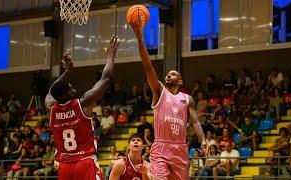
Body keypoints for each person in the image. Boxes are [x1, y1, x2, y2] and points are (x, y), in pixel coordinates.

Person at [130, 22, 206, 180]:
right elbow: (148, 66)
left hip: (180, 148)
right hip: (161, 146)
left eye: (173, 74)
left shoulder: (188, 99)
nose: (168, 75)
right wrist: (139, 38)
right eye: (167, 74)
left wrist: (203, 140)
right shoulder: (159, 90)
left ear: (180, 81)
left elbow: (195, 122)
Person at [45, 35, 119, 180]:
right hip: (84, 162)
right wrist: (110, 56)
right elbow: (106, 77)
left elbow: (51, 91)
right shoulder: (83, 103)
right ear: (67, 93)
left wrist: (67, 72)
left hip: (64, 167)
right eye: (71, 87)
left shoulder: (51, 108)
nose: (73, 88)